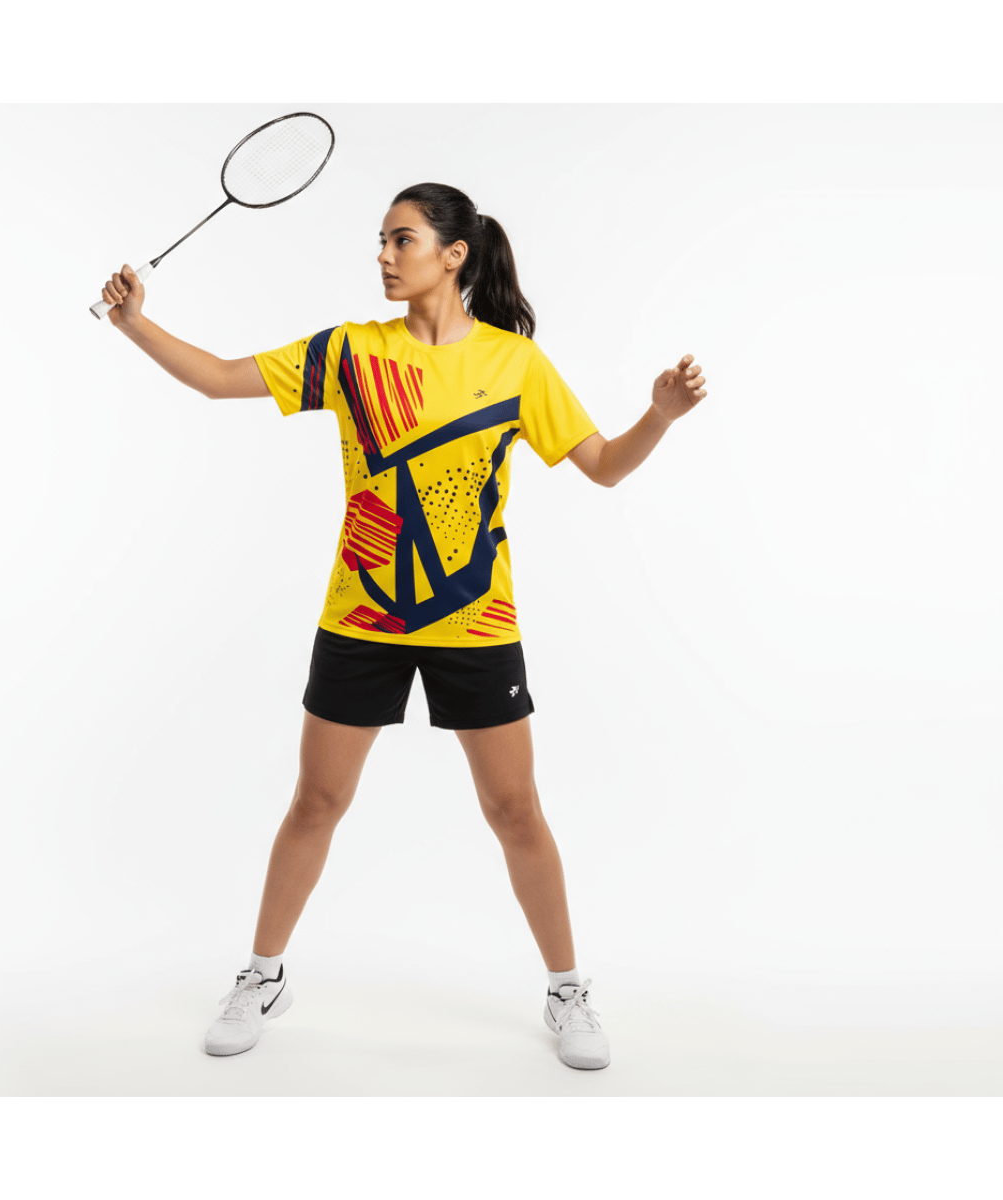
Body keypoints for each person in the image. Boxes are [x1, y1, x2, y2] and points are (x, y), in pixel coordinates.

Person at [98, 181, 707, 1071]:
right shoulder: (351, 352)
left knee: (515, 810)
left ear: (455, 255)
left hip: (476, 625)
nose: (384, 256)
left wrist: (659, 415)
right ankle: (262, 976)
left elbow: (605, 466)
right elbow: (222, 379)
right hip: (362, 619)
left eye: (402, 240)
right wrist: (134, 324)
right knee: (316, 803)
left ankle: (567, 990)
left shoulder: (515, 364)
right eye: (380, 241)